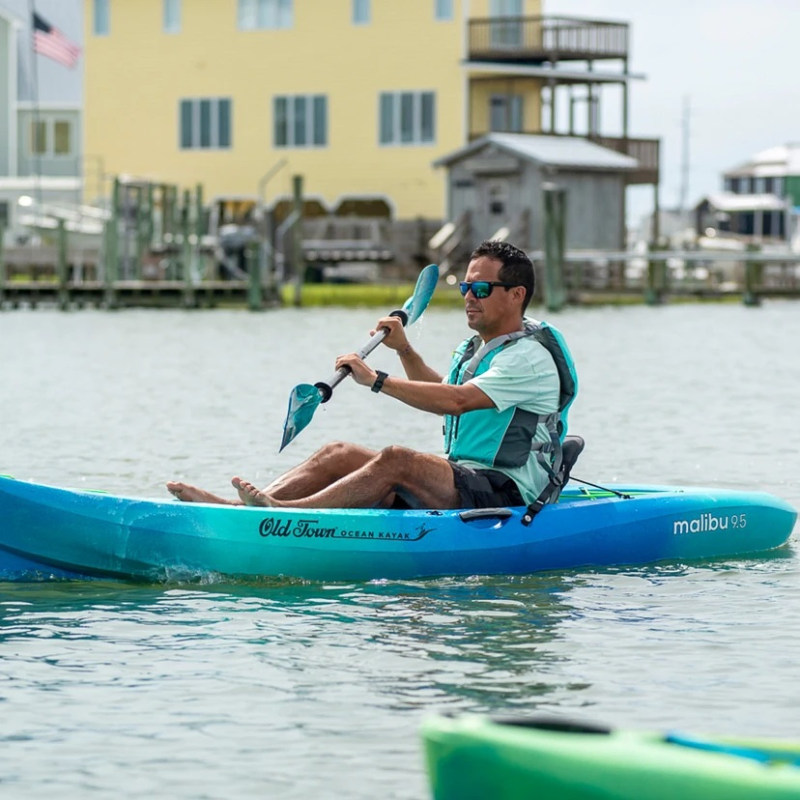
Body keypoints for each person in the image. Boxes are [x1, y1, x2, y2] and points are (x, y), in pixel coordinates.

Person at [167, 239, 575, 511]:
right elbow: (443, 392)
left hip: (509, 488)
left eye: (481, 289)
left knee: (398, 459)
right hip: (466, 475)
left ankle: (287, 515)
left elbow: (458, 401)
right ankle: (242, 512)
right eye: (465, 289)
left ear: (516, 294)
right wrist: (403, 349)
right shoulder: (479, 347)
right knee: (338, 452)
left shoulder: (529, 358)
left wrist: (376, 379)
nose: (469, 297)